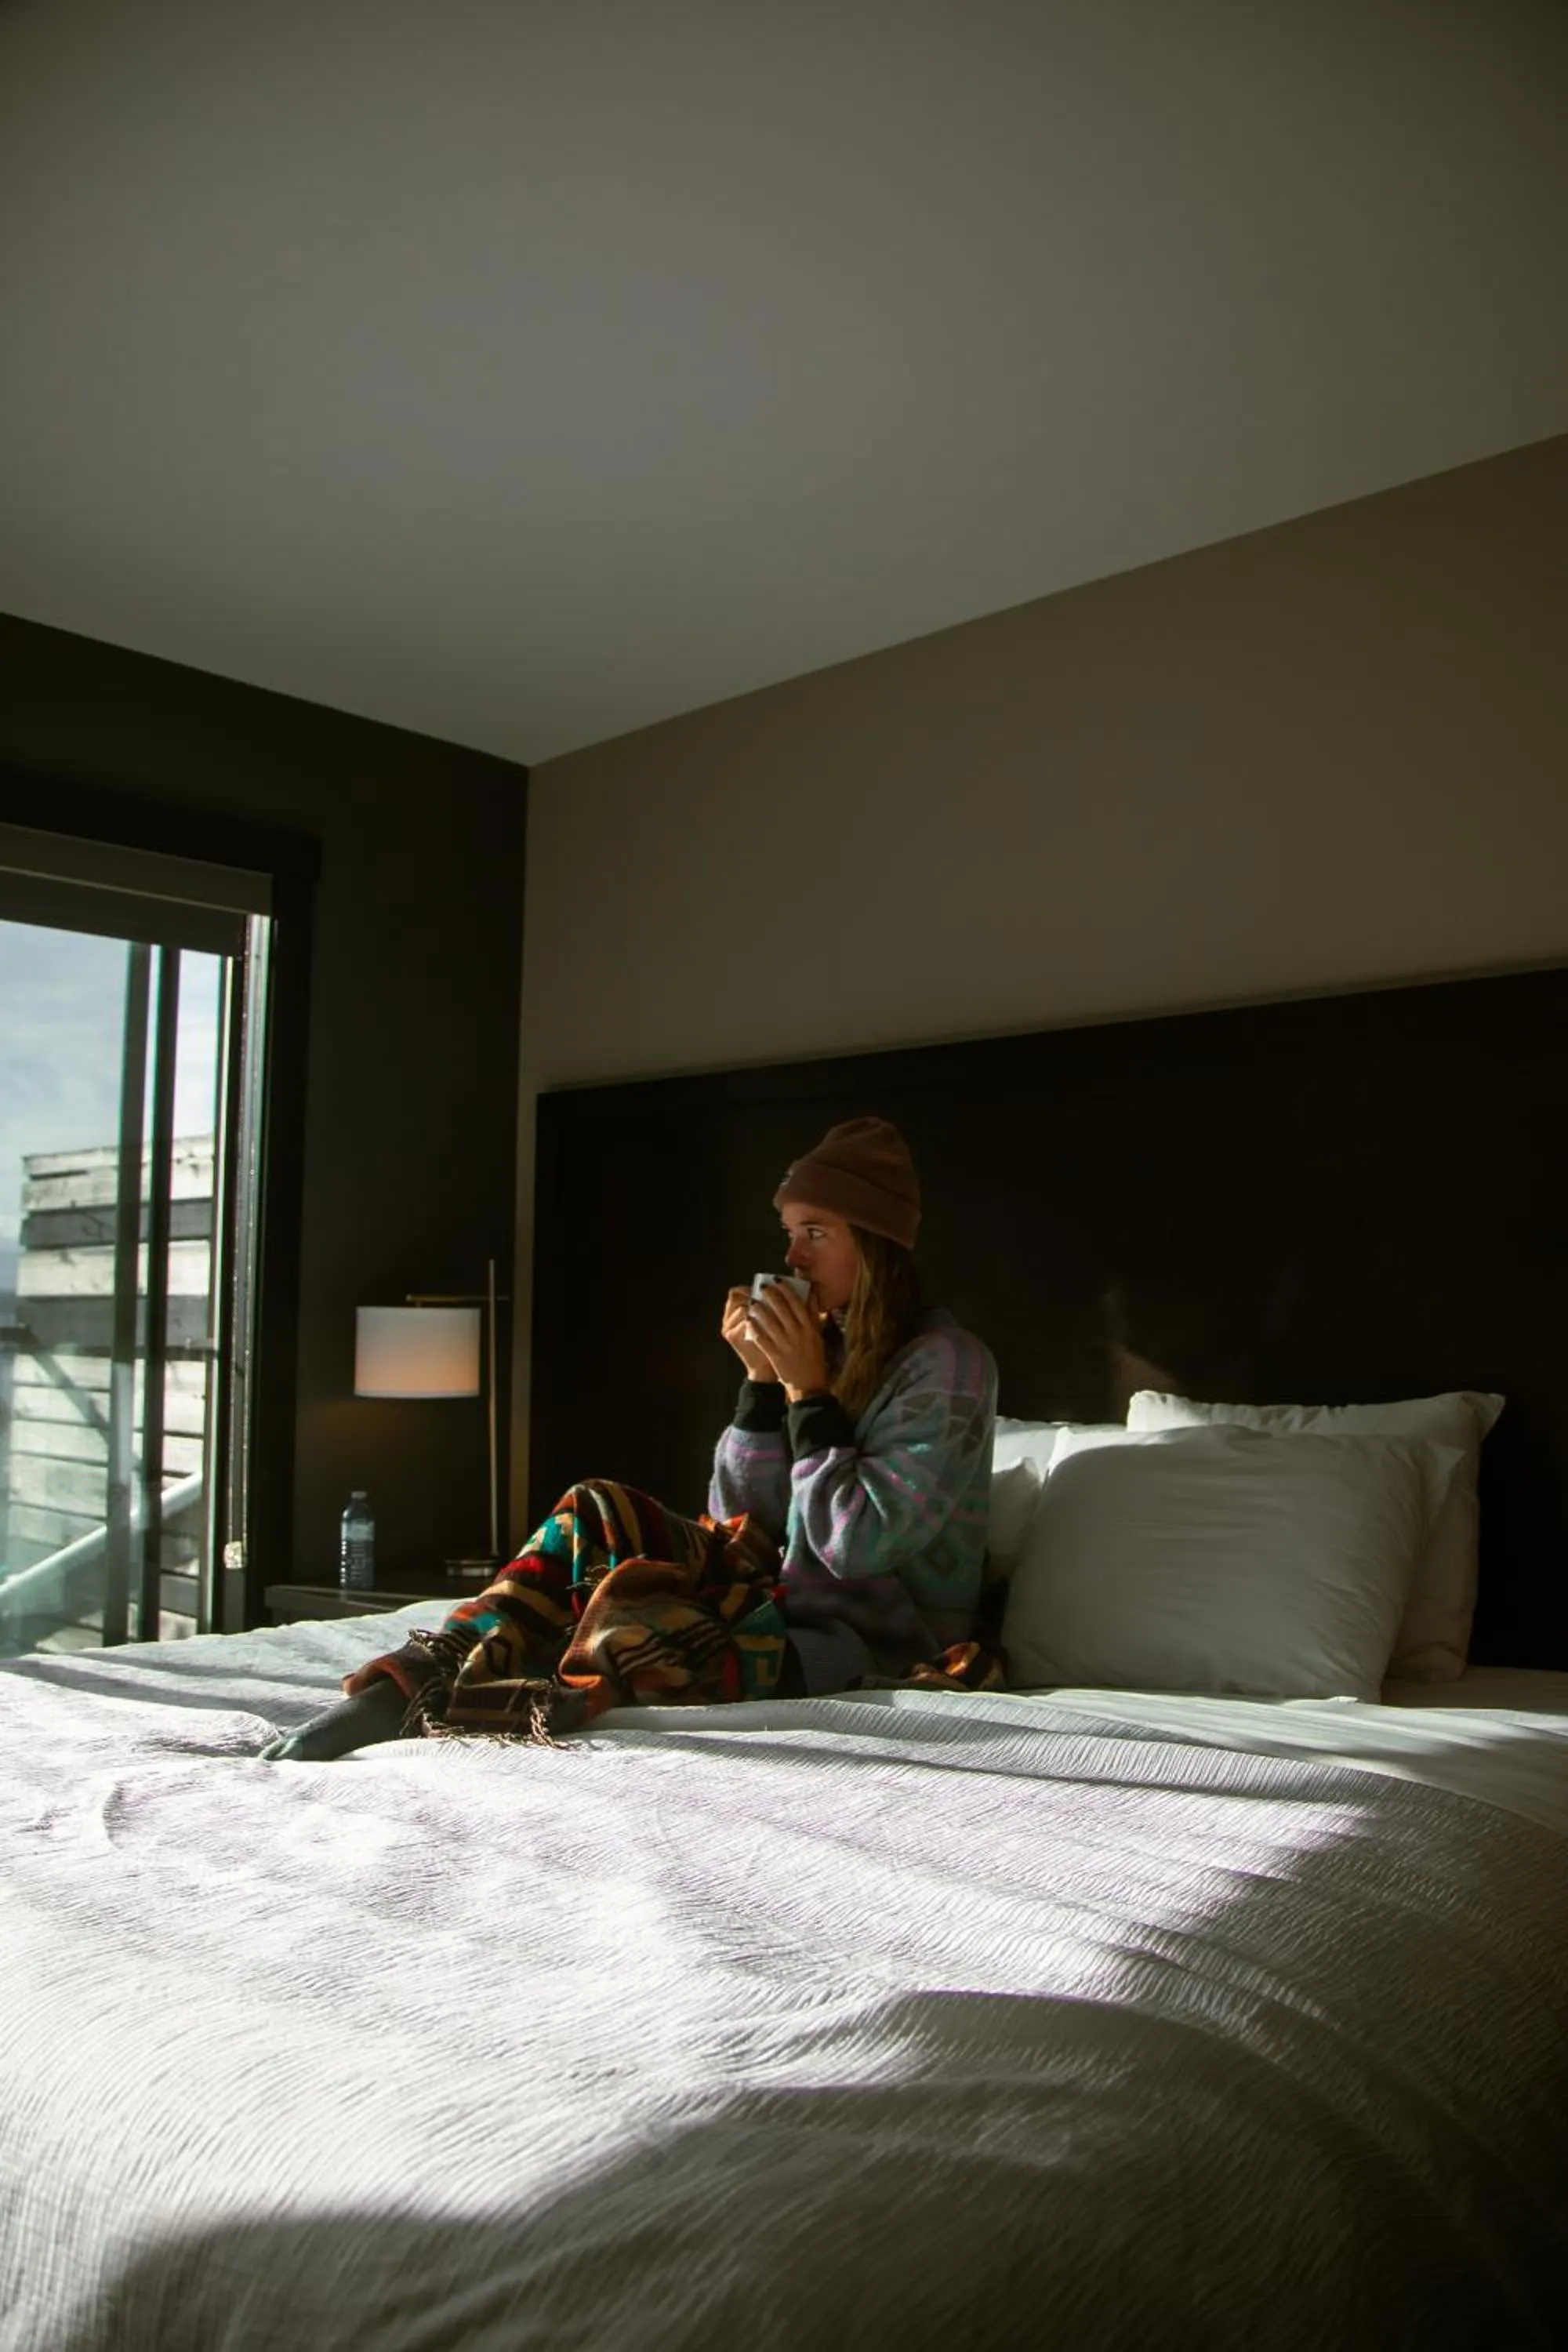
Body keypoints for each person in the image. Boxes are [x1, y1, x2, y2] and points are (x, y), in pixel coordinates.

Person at [262, 1118, 997, 1761]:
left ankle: (508, 1701)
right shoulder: (826, 1349)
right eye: (788, 1233)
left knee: (632, 1626)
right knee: (593, 1508)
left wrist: (807, 1395)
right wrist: (760, 1392)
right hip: (772, 1601)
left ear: (875, 1248)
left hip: (874, 1649)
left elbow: (857, 1545)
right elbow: (744, 1528)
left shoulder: (949, 1366)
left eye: (816, 1233)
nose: (794, 1258)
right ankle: (406, 1687)